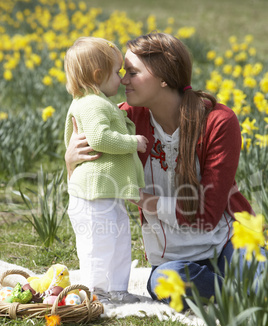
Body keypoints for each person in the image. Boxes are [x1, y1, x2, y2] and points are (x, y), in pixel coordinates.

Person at [65, 32, 258, 307]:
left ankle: (238, 288)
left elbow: (209, 212)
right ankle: (237, 294)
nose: (122, 80)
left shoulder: (217, 120)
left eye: (132, 72)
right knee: (166, 282)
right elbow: (88, 184)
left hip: (227, 241)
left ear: (163, 77)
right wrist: (70, 160)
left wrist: (144, 200)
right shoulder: (122, 123)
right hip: (174, 259)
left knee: (259, 277)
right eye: (122, 72)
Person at [64, 36, 148, 304]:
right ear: (99, 75)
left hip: (106, 192)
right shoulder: (92, 104)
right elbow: (99, 138)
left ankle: (118, 289)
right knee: (98, 245)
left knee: (120, 241)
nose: (121, 78)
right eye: (117, 72)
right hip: (92, 196)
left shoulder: (98, 102)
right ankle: (97, 292)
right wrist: (132, 142)